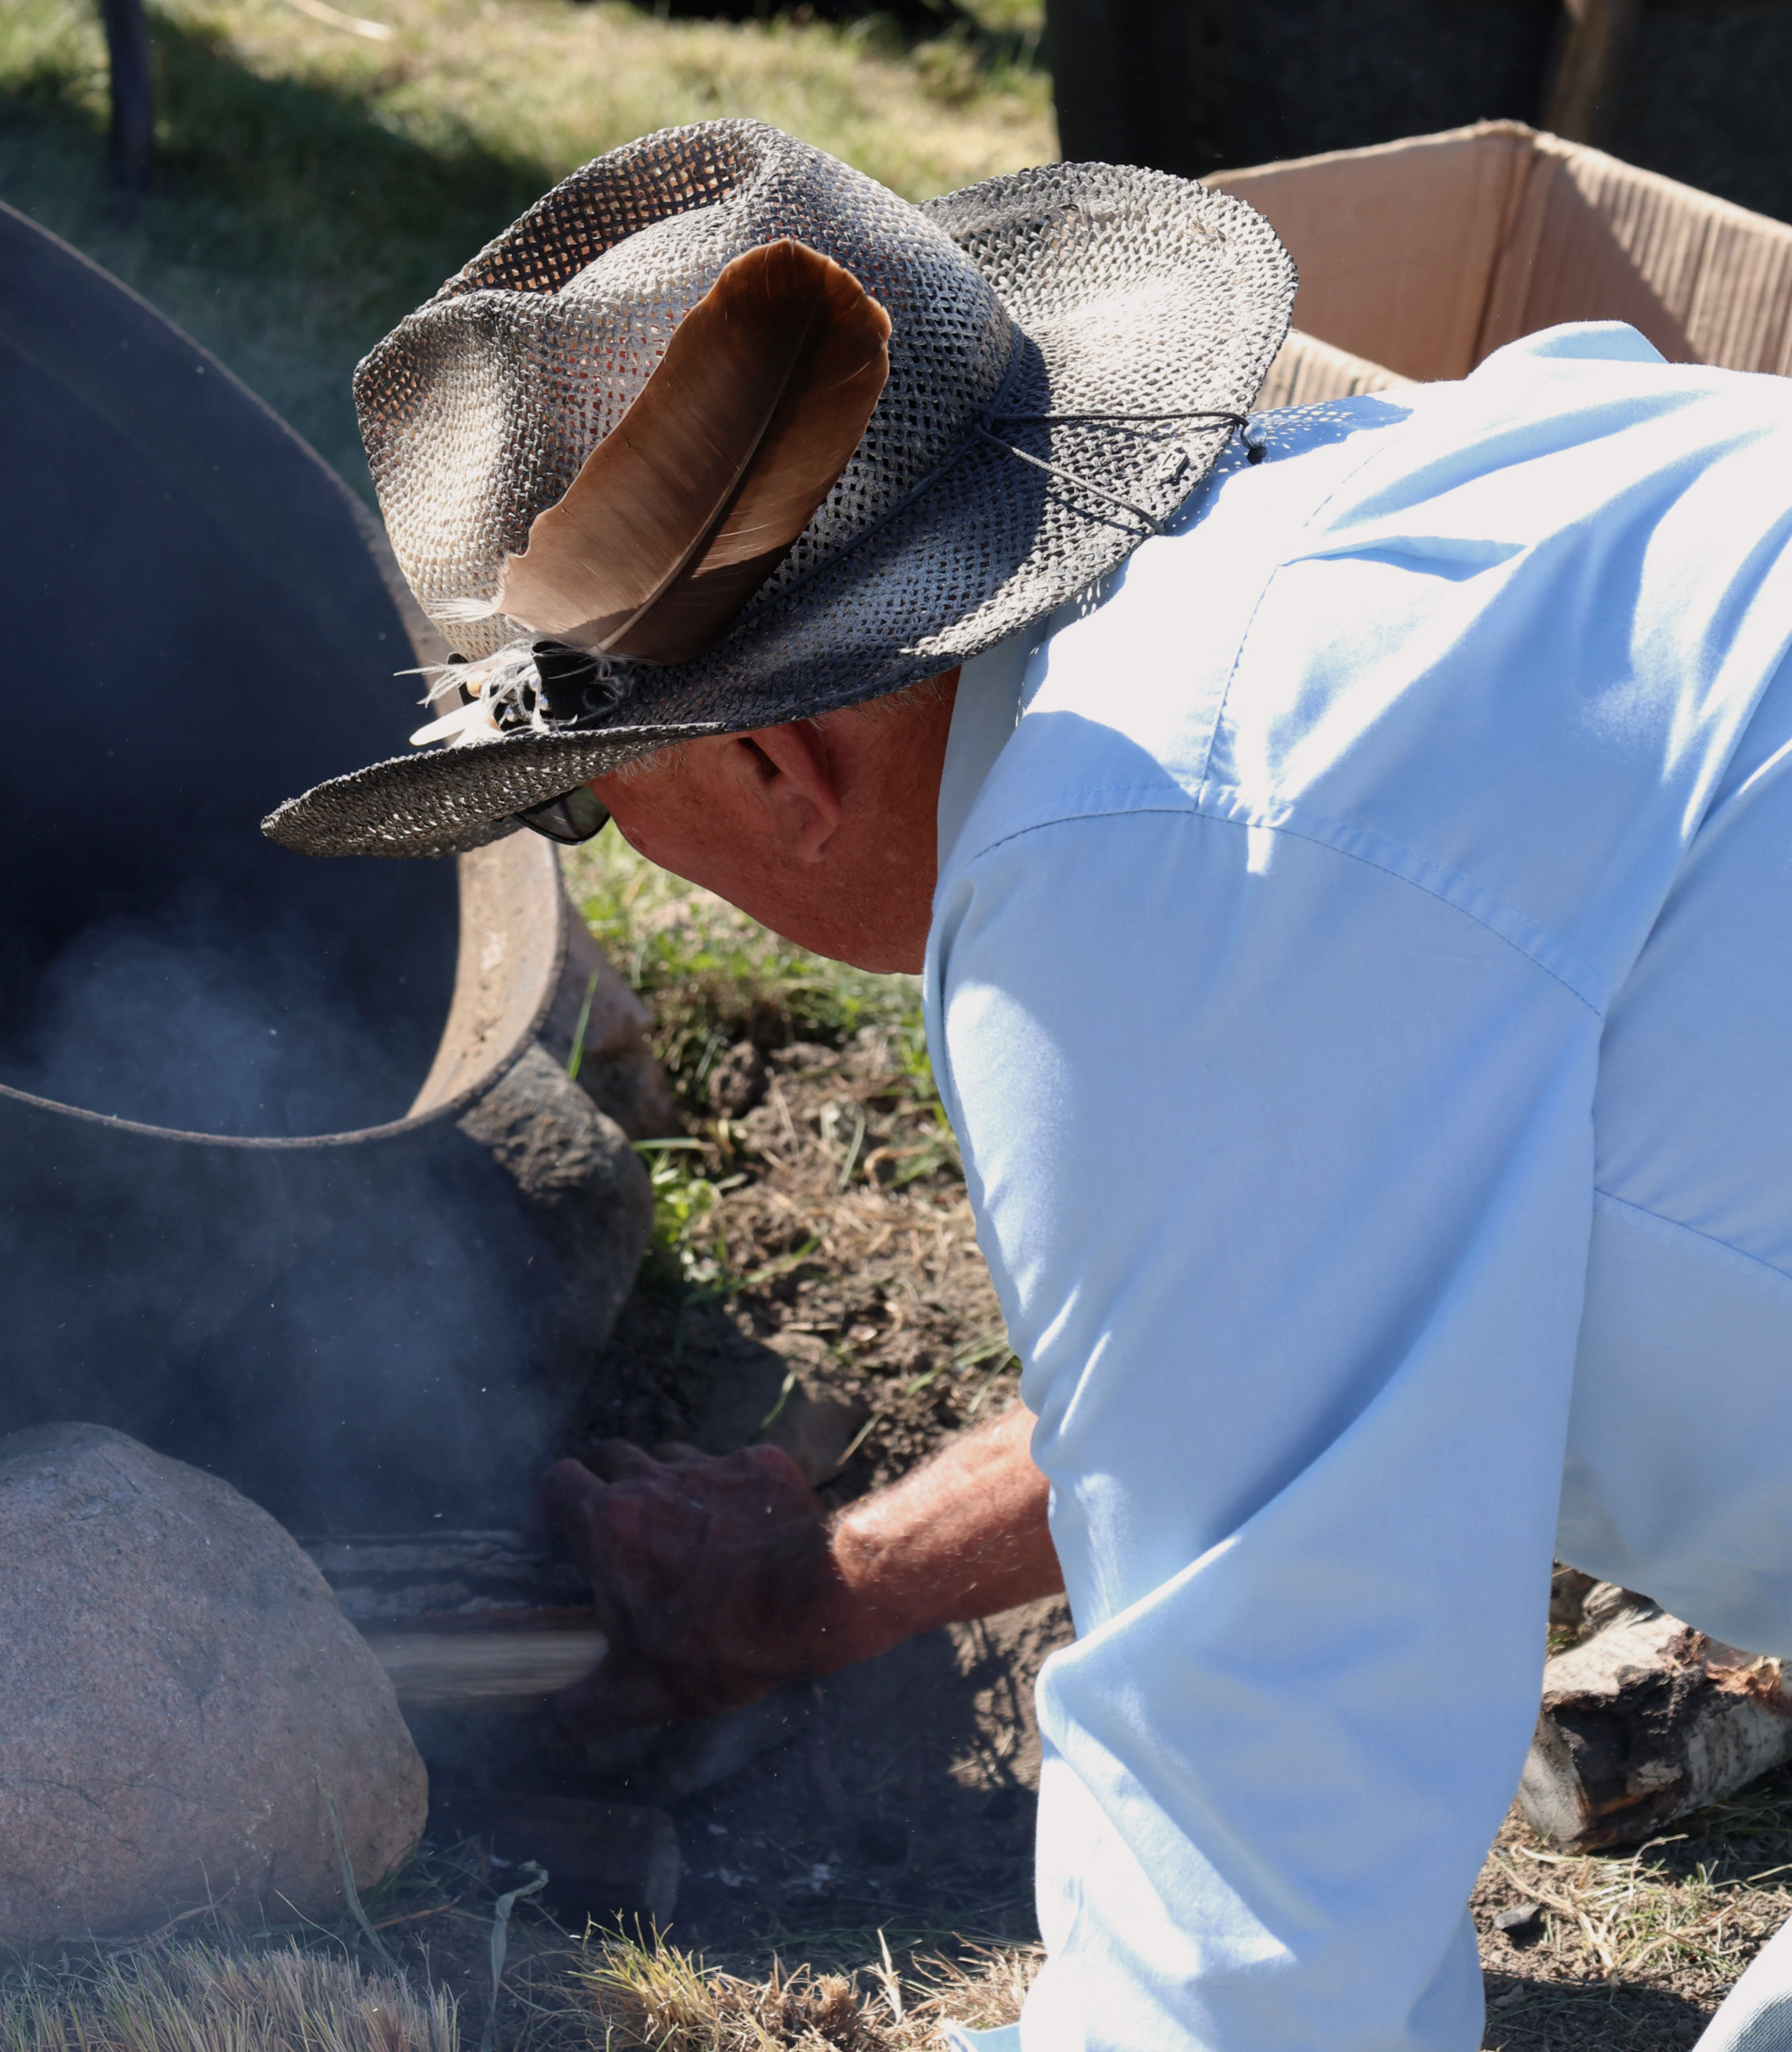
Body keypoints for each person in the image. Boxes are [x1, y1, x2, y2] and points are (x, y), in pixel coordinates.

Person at [269, 118, 1792, 2052]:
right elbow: (1287, 1334)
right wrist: (839, 1584)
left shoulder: (1152, 864)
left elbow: (1257, 1938)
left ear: (775, 764)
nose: (617, 850)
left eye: (588, 802)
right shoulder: (1383, 536)